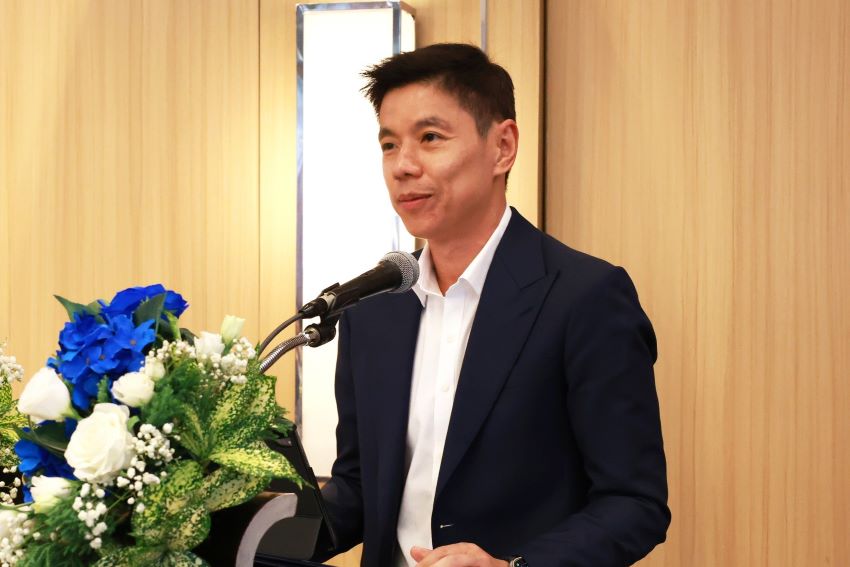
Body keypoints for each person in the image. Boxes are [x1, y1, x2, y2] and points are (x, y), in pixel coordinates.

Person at [316, 43, 670, 567]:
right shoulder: (373, 308)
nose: (403, 166)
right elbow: (358, 487)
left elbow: (633, 503)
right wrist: (232, 528)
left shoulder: (585, 297)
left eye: (430, 138)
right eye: (389, 145)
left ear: (502, 147)